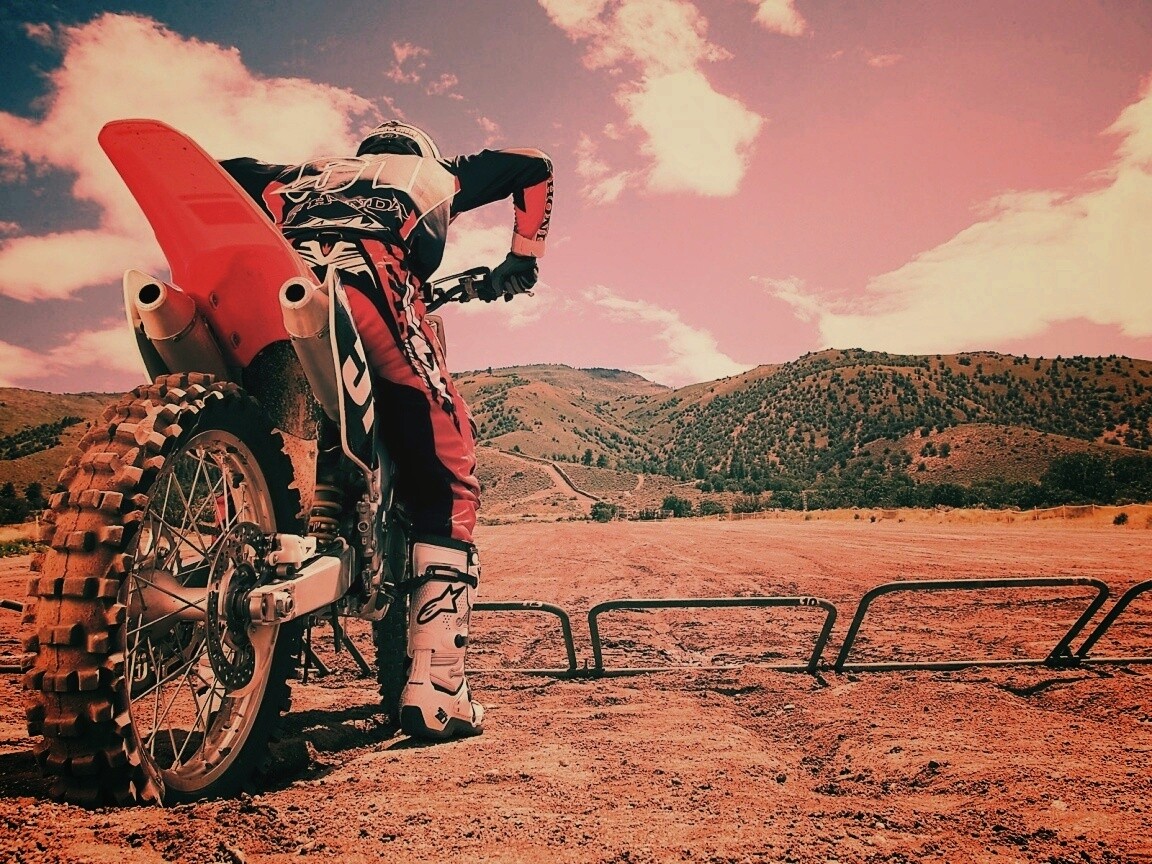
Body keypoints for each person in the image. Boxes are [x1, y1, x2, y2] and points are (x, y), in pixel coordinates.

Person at [221, 121, 553, 739]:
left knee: (245, 448)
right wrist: (521, 259)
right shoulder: (434, 173)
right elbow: (533, 163)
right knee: (450, 466)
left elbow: (216, 173)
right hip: (367, 289)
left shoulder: (301, 174)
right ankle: (438, 689)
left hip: (267, 300)